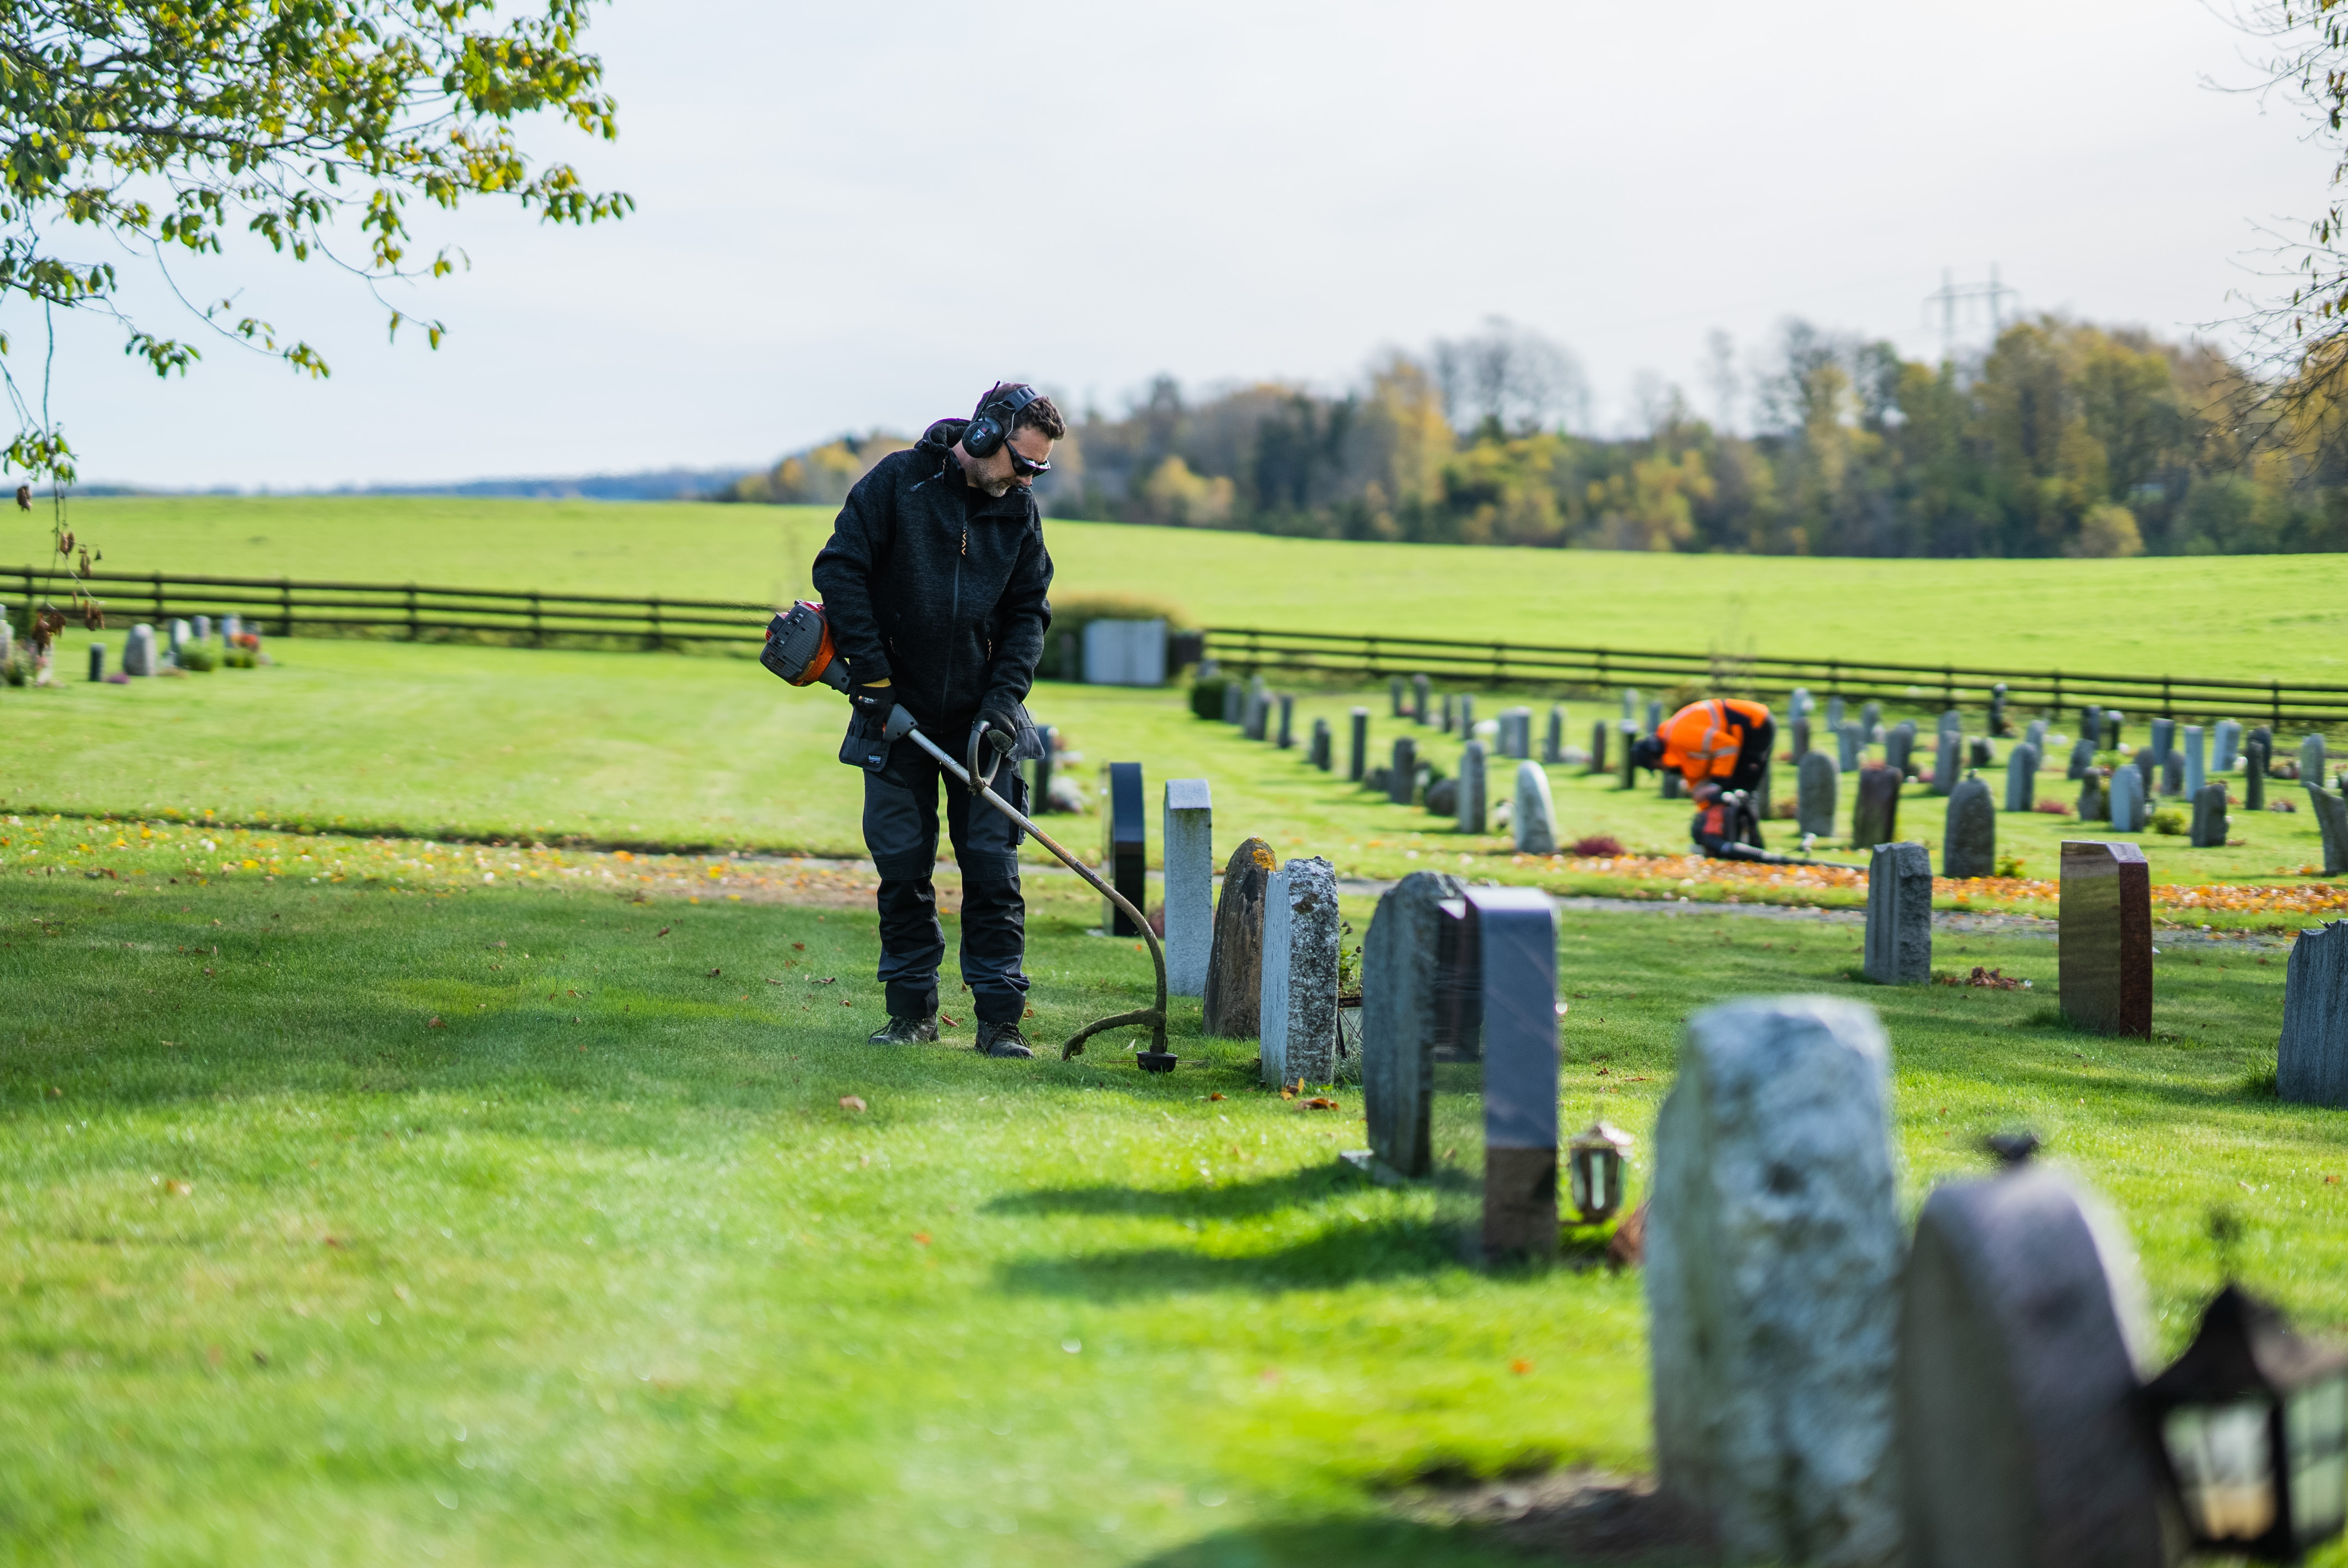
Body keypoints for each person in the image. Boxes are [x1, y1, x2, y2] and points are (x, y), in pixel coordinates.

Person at [810, 383, 1062, 1058]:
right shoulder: (897, 483)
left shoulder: (1019, 512)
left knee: (992, 872)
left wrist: (1004, 705)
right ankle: (910, 1014)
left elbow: (1027, 614)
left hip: (982, 721)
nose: (1026, 479)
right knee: (902, 868)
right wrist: (877, 682)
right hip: (891, 710)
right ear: (982, 436)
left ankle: (1000, 1022)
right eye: (1022, 462)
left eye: (1039, 469)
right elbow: (839, 571)